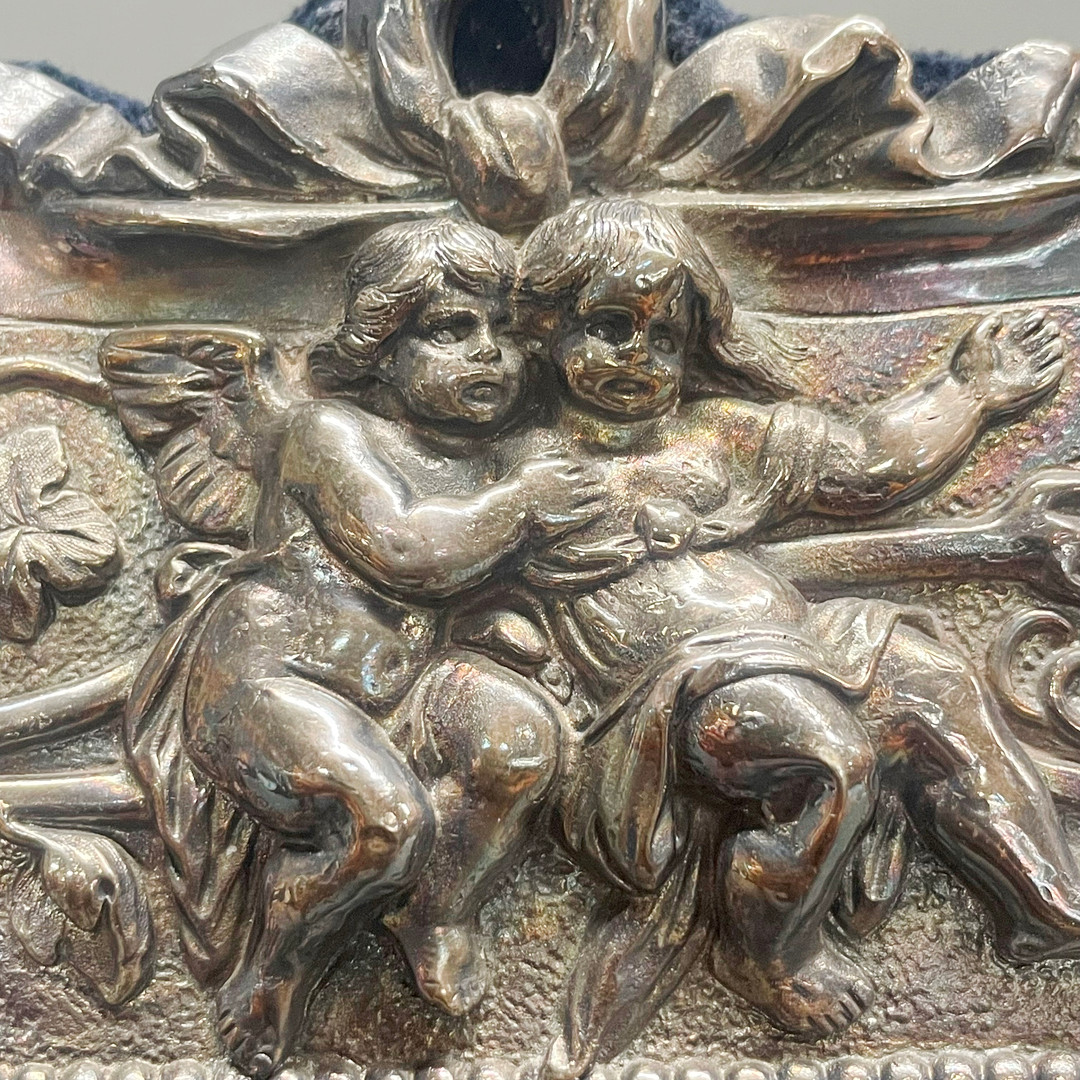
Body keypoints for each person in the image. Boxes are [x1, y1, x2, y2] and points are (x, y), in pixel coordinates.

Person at [487, 197, 1080, 1071]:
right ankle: (766, 949)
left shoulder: (719, 436)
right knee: (829, 761)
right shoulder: (515, 464)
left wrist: (970, 391)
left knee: (937, 685)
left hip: (803, 645)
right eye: (610, 326)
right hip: (676, 694)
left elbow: (869, 462)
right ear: (545, 326)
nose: (638, 357)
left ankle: (1047, 904)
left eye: (664, 337)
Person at [110, 217, 600, 1078]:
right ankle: (276, 969)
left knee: (521, 745)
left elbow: (480, 586)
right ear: (381, 346)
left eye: (503, 331)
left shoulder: (491, 460)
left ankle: (436, 910)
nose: (489, 354)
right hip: (268, 676)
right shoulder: (328, 433)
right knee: (385, 823)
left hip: (394, 683)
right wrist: (524, 504)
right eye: (451, 330)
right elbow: (405, 548)